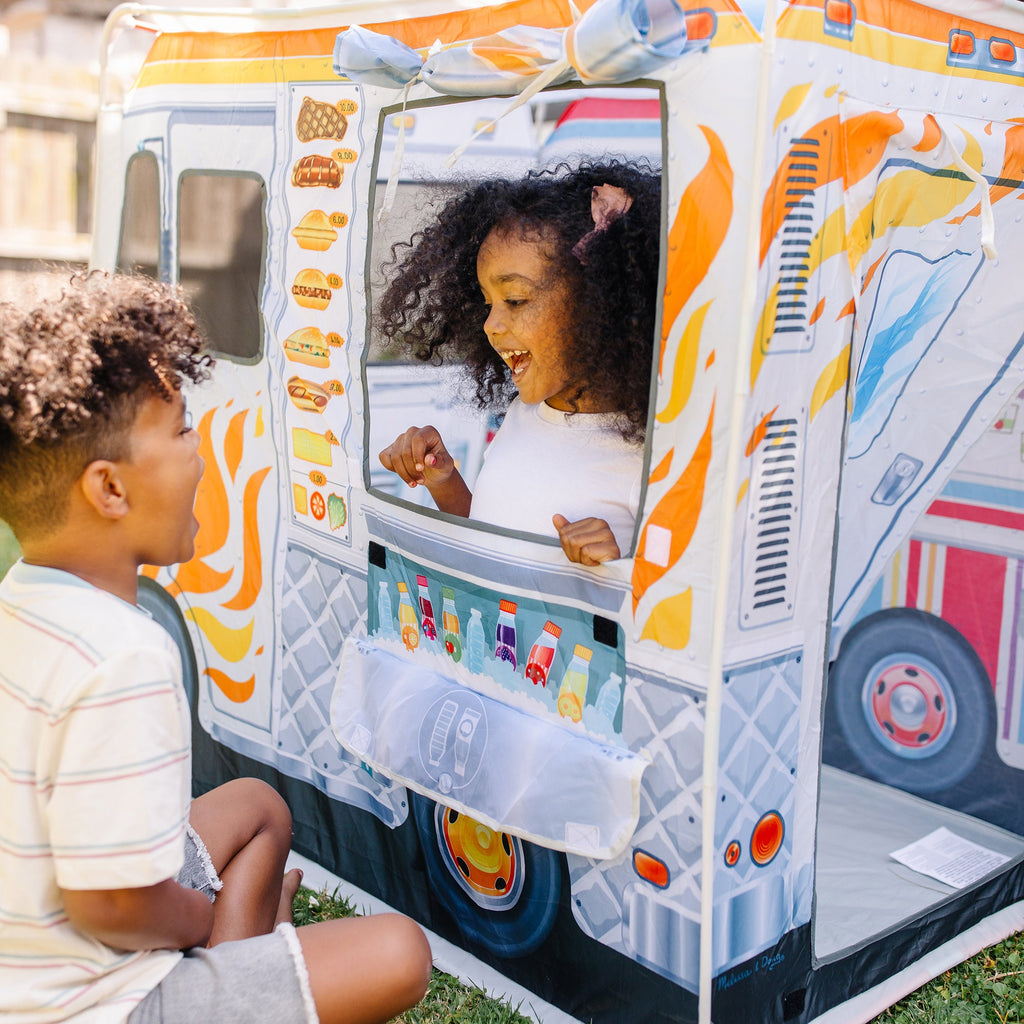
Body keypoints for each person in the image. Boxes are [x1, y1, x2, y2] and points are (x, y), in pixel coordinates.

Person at [0, 272, 432, 1024]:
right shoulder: (126, 657)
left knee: (256, 806)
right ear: (109, 490)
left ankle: (251, 953)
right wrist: (209, 927)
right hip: (94, 1004)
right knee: (399, 951)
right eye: (180, 432)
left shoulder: (23, 595)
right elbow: (109, 903)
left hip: (35, 953)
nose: (200, 454)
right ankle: (245, 960)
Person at [377, 160, 661, 566]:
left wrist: (617, 567)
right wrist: (444, 482)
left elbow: (669, 604)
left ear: (598, 305)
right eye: (488, 303)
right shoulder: (523, 413)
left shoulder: (649, 459)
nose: (491, 324)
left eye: (515, 300)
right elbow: (488, 549)